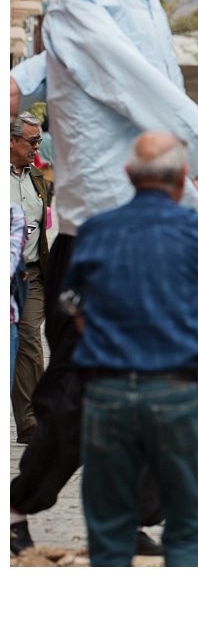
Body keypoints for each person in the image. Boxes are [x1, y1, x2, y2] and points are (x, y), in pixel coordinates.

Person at [10, 0, 198, 556]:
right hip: (100, 231)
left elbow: (129, 67)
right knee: (77, 397)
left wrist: (22, 77)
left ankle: (137, 509)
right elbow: (130, 81)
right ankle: (18, 500)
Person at [66, 131, 198, 565]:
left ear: (129, 174)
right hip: (177, 390)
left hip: (108, 388)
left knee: (109, 532)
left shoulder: (96, 230)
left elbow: (76, 308)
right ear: (184, 175)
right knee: (184, 529)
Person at [10, 113, 49, 445]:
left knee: (30, 339)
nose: (37, 147)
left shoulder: (37, 177)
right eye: (32, 141)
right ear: (11, 141)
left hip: (32, 274)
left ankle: (30, 421)